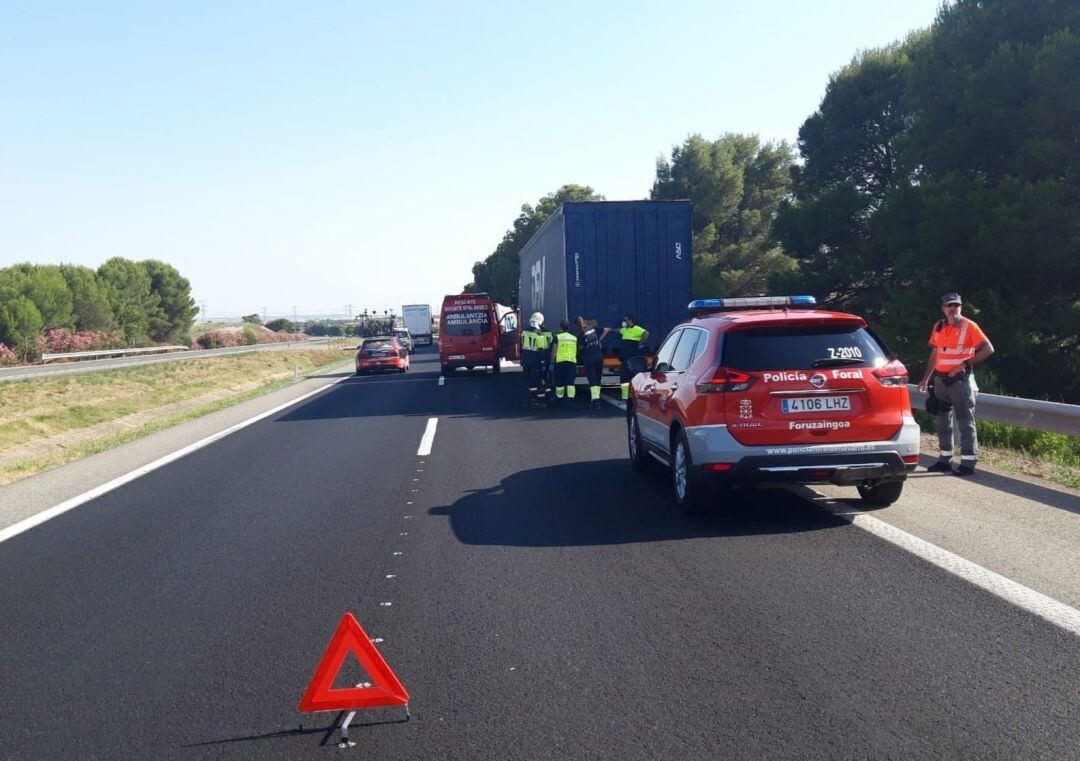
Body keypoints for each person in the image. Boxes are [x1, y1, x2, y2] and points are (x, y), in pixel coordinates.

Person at [916, 293, 995, 476]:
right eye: (949, 305)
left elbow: (989, 349)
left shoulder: (969, 326)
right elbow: (935, 353)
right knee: (943, 420)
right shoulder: (939, 326)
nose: (953, 308)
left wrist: (964, 364)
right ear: (943, 308)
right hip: (941, 380)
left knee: (965, 422)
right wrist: (926, 377)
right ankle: (945, 460)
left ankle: (968, 463)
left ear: (960, 307)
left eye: (956, 305)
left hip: (960, 381)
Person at [576, 316, 610, 409]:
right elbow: (607, 330)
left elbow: (581, 350)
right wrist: (599, 340)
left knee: (593, 380)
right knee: (598, 379)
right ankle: (596, 398)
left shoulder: (580, 337)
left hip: (589, 359)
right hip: (599, 357)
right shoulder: (593, 328)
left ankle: (596, 401)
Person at [617, 314, 649, 401]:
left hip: (633, 360)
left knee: (635, 378)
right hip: (624, 359)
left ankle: (637, 397)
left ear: (630, 320)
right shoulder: (625, 330)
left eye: (626, 320)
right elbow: (618, 330)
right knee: (624, 378)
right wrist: (608, 330)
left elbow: (646, 333)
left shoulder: (636, 329)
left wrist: (640, 343)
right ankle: (624, 397)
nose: (625, 322)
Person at [520, 312, 549, 406]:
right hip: (535, 361)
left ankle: (533, 399)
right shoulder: (539, 334)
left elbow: (522, 347)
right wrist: (543, 361)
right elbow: (541, 350)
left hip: (526, 361)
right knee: (539, 381)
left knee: (530, 381)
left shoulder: (524, 332)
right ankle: (541, 401)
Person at [550, 320, 579, 402]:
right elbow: (576, 350)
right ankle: (571, 399)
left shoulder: (557, 337)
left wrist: (551, 362)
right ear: (568, 328)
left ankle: (559, 398)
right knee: (570, 381)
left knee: (559, 381)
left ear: (560, 327)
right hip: (572, 361)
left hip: (560, 362)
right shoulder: (574, 338)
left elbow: (554, 351)